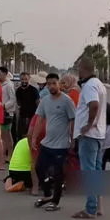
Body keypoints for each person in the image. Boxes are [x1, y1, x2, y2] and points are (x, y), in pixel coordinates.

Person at [30, 73, 76, 212]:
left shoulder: (67, 101)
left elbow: (72, 120)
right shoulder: (45, 101)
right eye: (48, 84)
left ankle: (55, 202)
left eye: (53, 83)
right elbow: (39, 120)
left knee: (58, 173)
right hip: (46, 143)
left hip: (61, 145)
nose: (51, 86)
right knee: (39, 168)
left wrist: (72, 139)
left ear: (59, 84)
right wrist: (34, 137)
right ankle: (48, 195)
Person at [72, 57, 107, 219]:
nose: (78, 71)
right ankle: (98, 206)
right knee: (97, 171)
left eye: (79, 68)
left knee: (89, 171)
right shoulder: (99, 84)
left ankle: (90, 209)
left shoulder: (90, 86)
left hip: (90, 136)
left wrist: (87, 125)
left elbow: (94, 105)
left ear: (83, 69)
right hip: (99, 135)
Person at [0, 66, 17, 161]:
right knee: (2, 136)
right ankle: (3, 156)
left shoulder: (9, 85)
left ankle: (10, 155)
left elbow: (12, 99)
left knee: (7, 135)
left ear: (5, 74)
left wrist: (3, 106)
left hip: (7, 113)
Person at [14, 72, 40, 142]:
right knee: (21, 136)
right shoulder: (18, 90)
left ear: (29, 79)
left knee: (30, 136)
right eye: (22, 79)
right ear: (20, 79)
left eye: (26, 79)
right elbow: (18, 103)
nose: (24, 81)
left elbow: (38, 104)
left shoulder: (34, 90)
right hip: (22, 116)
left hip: (32, 116)